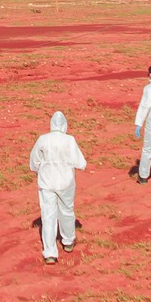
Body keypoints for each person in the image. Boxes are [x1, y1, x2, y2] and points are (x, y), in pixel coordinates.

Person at [29, 111, 86, 264]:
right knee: (67, 211)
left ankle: (50, 252)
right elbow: (81, 163)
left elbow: (34, 161)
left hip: (46, 182)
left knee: (48, 215)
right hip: (66, 181)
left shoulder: (43, 140)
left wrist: (38, 170)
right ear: (65, 125)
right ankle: (68, 241)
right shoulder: (69, 140)